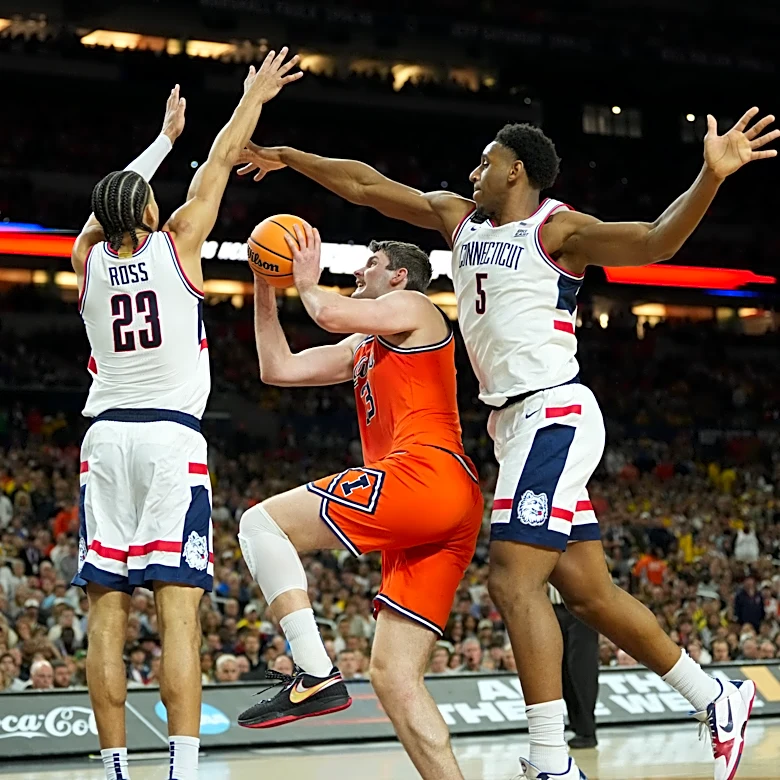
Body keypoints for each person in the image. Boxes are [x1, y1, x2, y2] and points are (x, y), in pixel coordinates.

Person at [236, 106, 777, 780]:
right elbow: (366, 185)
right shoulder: (458, 218)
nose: (473, 171)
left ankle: (551, 761)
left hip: (554, 411)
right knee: (586, 594)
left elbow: (655, 240)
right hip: (512, 428)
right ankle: (716, 695)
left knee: (513, 578)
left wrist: (710, 175)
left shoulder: (558, 229)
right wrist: (290, 153)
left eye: (485, 162)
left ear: (516, 169)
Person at [70, 50, 302, 780]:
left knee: (106, 614)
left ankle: (113, 769)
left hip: (104, 439)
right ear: (144, 207)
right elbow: (227, 154)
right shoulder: (180, 242)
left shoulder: (86, 257)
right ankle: (182, 769)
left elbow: (100, 207)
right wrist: (252, 96)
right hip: (170, 440)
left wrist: (159, 143)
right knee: (178, 613)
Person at [236, 227, 483, 780]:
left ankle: (314, 671)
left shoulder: (416, 307)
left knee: (259, 524)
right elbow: (277, 368)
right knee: (394, 677)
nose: (358, 271)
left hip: (424, 475)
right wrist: (264, 286)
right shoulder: (364, 348)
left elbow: (325, 311)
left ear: (398, 276)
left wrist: (302, 274)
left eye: (370, 264)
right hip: (444, 506)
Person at [550, 584, 599, 749]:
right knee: (563, 671)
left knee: (581, 670)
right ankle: (577, 724)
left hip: (581, 606)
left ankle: (587, 731)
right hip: (554, 608)